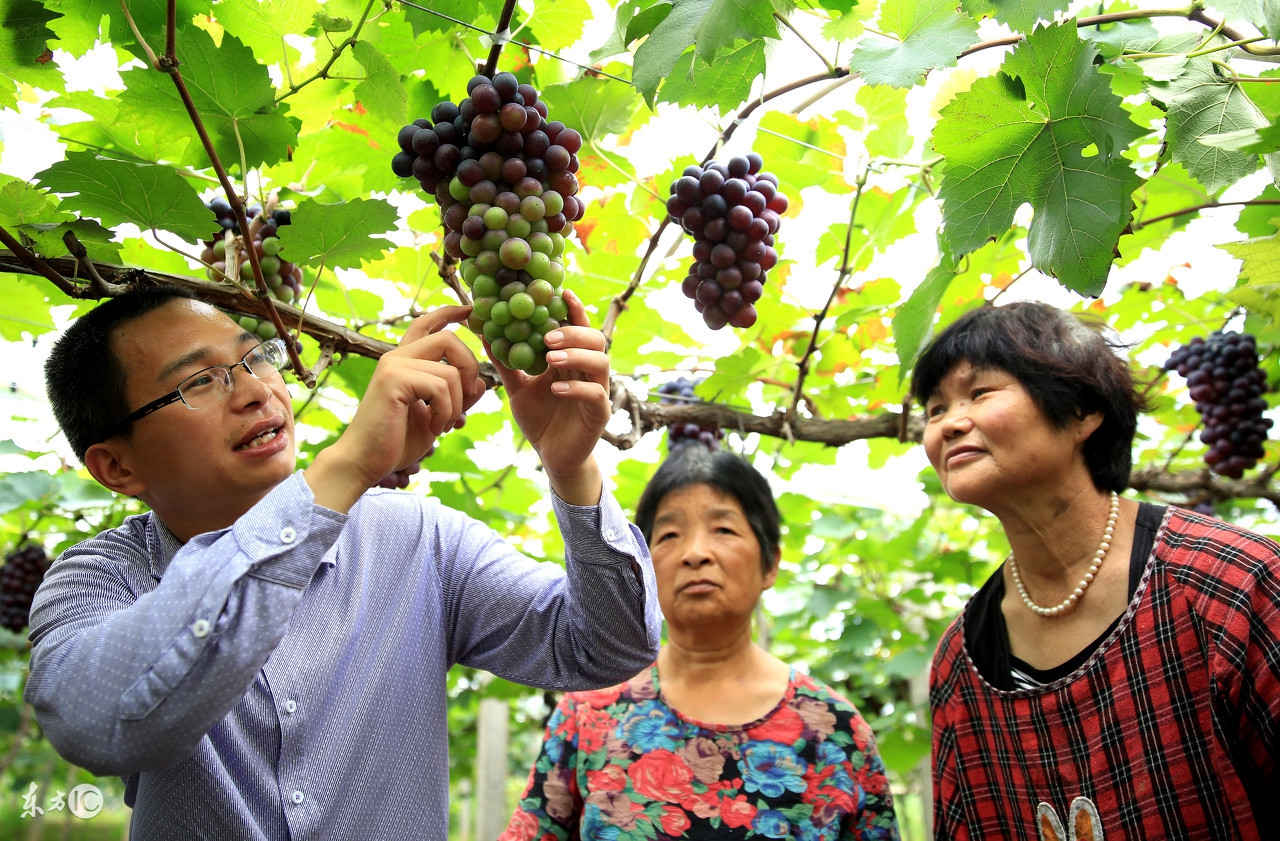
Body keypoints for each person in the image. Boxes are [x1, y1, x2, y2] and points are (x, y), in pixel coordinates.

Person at [24, 284, 660, 840]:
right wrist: (346, 468)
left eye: (253, 359)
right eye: (199, 382)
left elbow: (608, 647)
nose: (253, 391)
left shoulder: (419, 539)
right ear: (115, 467)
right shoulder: (96, 578)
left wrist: (571, 468)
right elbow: (102, 722)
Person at [911, 302, 1280, 840]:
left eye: (979, 393)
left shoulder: (1231, 584)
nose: (948, 424)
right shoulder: (959, 662)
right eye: (935, 409)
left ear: (1083, 409)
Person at [501, 446, 900, 841]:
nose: (694, 554)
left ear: (771, 562)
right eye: (670, 534)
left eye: (723, 529)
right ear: (644, 567)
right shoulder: (586, 714)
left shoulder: (836, 729)